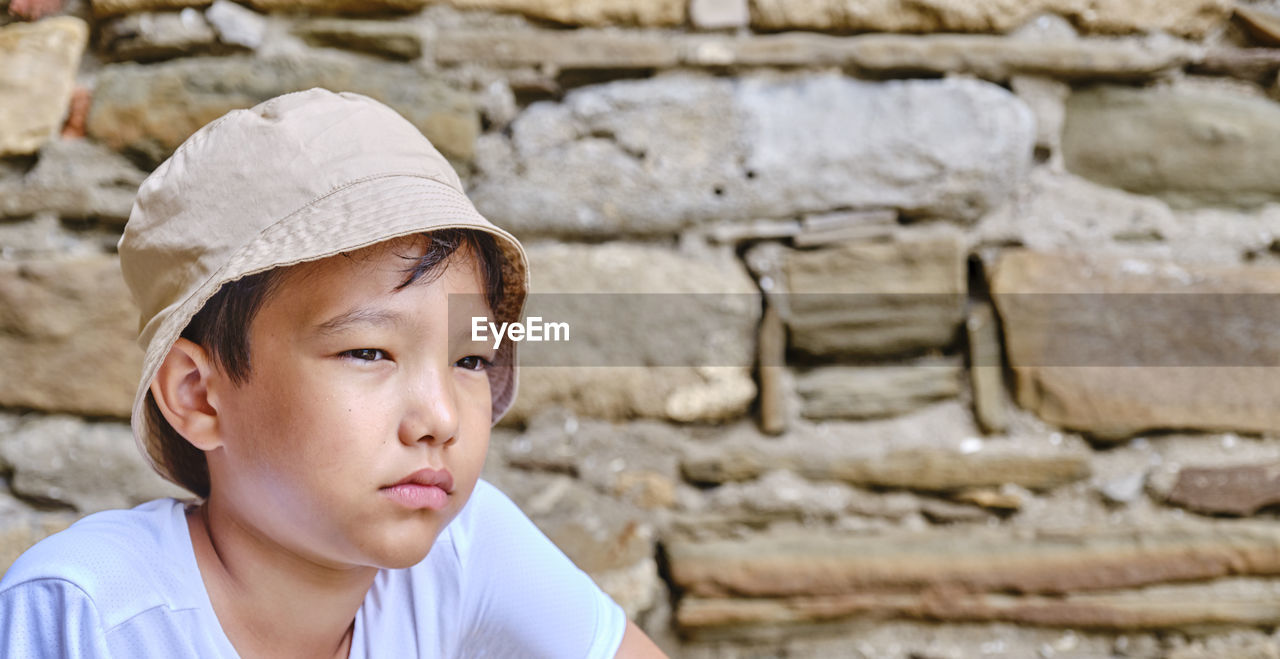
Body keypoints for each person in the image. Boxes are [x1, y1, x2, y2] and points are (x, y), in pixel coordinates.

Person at [0, 88, 666, 658]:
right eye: (369, 352)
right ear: (198, 395)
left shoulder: (462, 548)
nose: (439, 416)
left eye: (470, 359)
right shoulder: (85, 617)